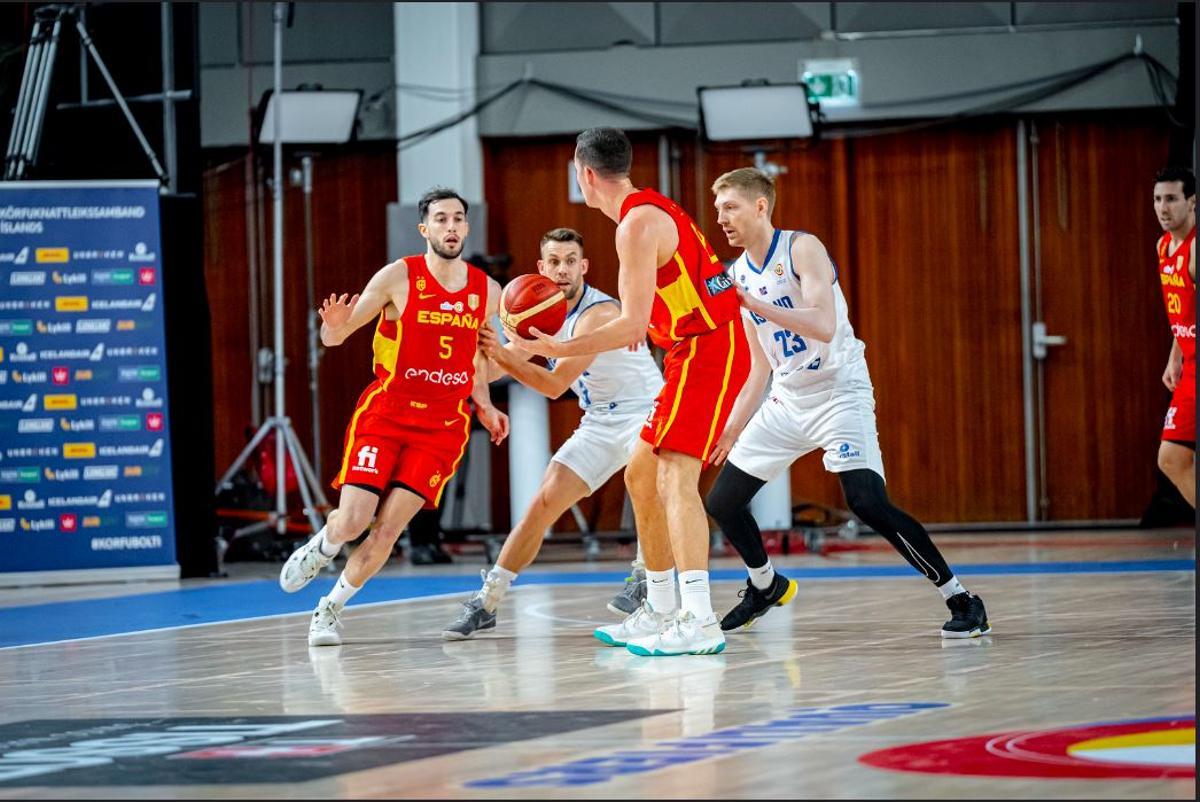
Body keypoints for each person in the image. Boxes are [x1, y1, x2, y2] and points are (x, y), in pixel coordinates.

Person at [703, 167, 991, 639]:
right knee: (724, 501)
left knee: (867, 502)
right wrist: (734, 425)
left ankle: (961, 597)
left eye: (730, 207)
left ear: (760, 206)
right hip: (787, 398)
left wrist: (752, 304)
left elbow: (823, 325)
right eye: (717, 210)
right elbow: (760, 366)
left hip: (839, 390)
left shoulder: (802, 247)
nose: (721, 219)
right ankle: (765, 584)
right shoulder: (736, 275)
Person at [506, 128, 750, 657]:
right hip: (693, 347)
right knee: (641, 471)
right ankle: (660, 608)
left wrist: (556, 347)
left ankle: (700, 619)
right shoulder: (648, 209)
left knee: (674, 476)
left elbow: (630, 325)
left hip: (710, 347)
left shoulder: (636, 226)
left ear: (586, 174)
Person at [278, 187, 509, 646]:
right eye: (441, 219)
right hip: (387, 415)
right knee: (352, 522)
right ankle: (324, 545)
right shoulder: (399, 276)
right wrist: (333, 322)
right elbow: (335, 339)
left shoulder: (488, 290)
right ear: (425, 228)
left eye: (458, 219)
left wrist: (485, 401)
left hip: (442, 426)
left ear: (466, 227)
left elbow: (482, 362)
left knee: (388, 531)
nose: (451, 227)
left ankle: (329, 609)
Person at [441, 227, 664, 639]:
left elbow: (554, 385)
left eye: (570, 262)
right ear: (541, 268)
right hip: (600, 418)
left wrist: (503, 355)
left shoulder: (600, 313)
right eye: (554, 262)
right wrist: (477, 350)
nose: (562, 270)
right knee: (542, 503)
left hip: (647, 411)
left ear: (584, 266)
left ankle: (645, 574)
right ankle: (487, 600)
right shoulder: (538, 311)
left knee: (644, 486)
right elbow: (489, 370)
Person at [1152, 166, 1196, 508]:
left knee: (1173, 456)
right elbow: (1180, 309)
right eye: (1157, 199)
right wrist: (1176, 355)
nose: (1163, 208)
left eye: (1171, 199)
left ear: (1192, 202)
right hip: (1189, 364)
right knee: (1172, 458)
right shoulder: (1164, 245)